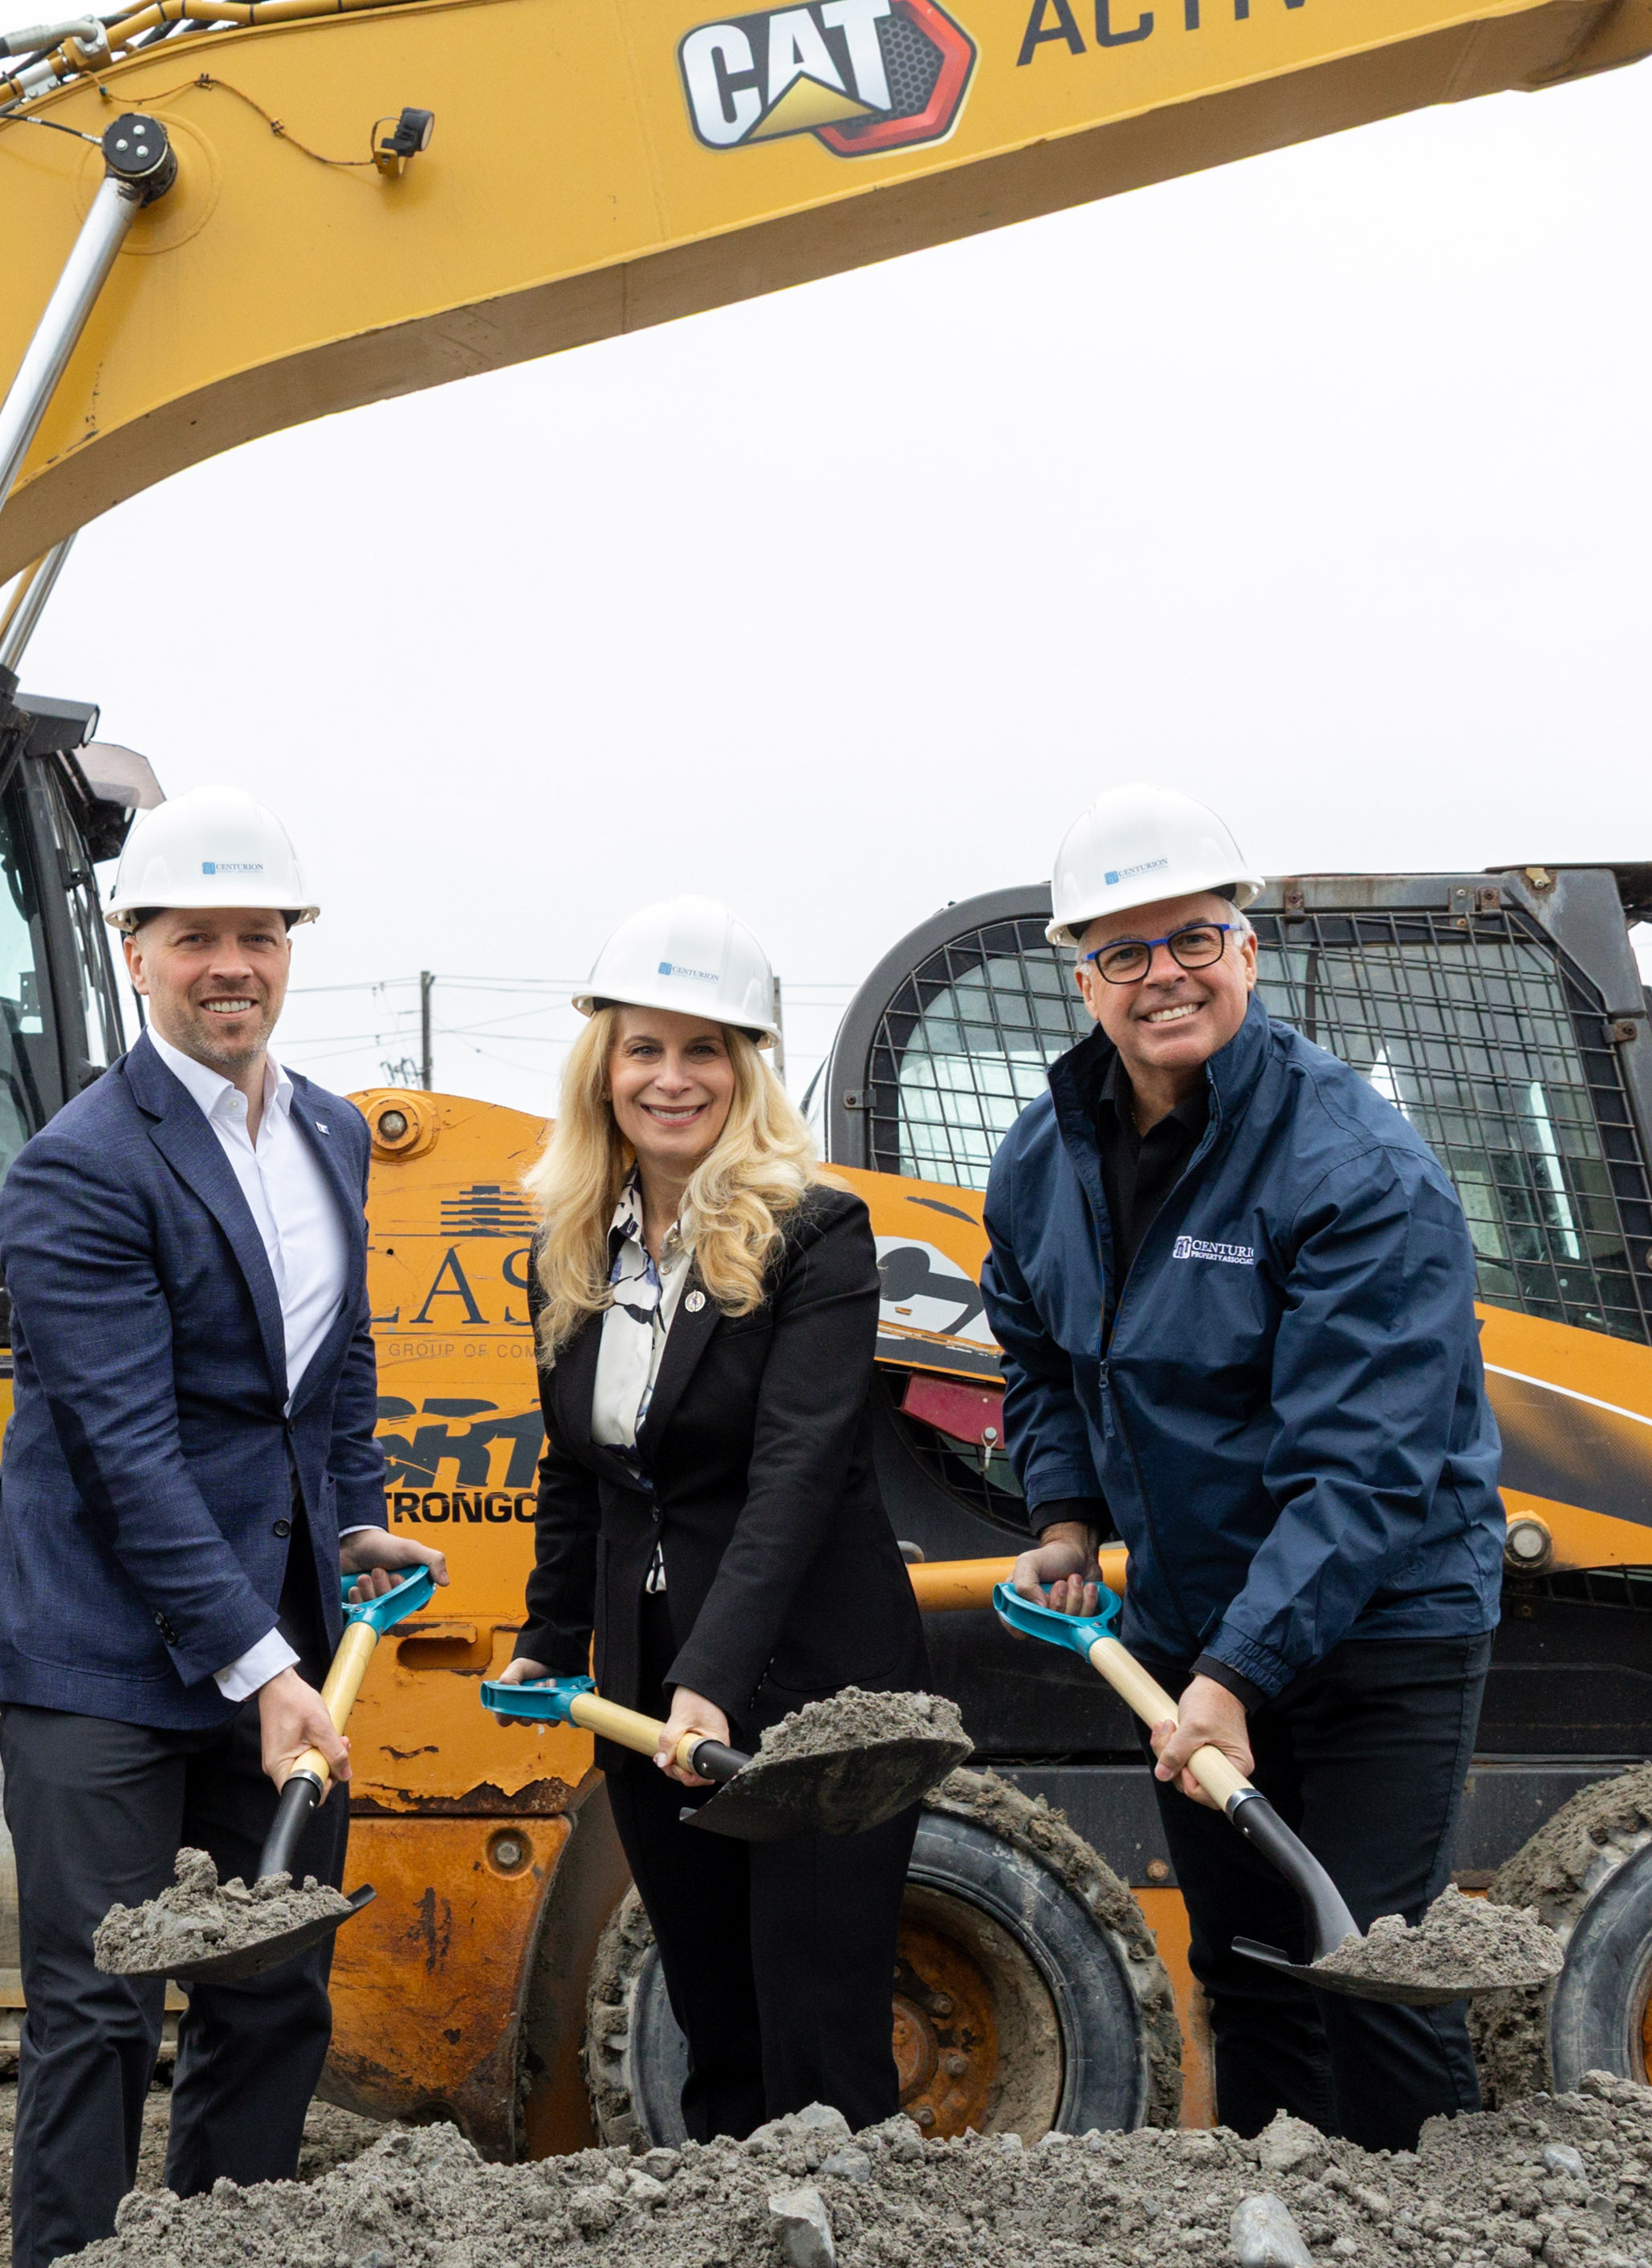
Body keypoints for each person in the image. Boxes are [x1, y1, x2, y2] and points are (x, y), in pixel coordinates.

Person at [978, 784, 1503, 2150]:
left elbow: (1363, 1473)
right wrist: (1063, 1513)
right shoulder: (1044, 1157)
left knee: (1374, 1975)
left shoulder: (1351, 1167)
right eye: (1125, 953)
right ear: (1078, 974)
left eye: (1192, 940)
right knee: (1251, 1973)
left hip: (1381, 1624)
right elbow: (1037, 1353)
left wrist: (1231, 1682)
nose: (1164, 978)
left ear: (1246, 950)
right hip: (1191, 1623)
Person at [0, 784, 445, 2268]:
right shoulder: (78, 1168)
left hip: (279, 1620)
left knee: (272, 1989)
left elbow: (335, 1363)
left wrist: (355, 1519)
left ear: (289, 946)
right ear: (135, 952)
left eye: (258, 934)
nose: (230, 964)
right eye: (197, 939)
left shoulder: (325, 1132)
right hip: (100, 1647)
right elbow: (121, 1449)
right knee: (102, 2000)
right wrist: (258, 1663)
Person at [490, 898, 926, 2138]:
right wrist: (545, 1633)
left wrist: (713, 1680)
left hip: (813, 1689)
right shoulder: (570, 1245)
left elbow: (796, 1473)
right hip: (648, 1688)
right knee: (713, 2008)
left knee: (815, 2013)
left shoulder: (815, 1234)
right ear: (603, 1067)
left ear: (745, 1073)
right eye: (644, 1049)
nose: (669, 1079)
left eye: (702, 1052)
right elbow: (577, 1470)